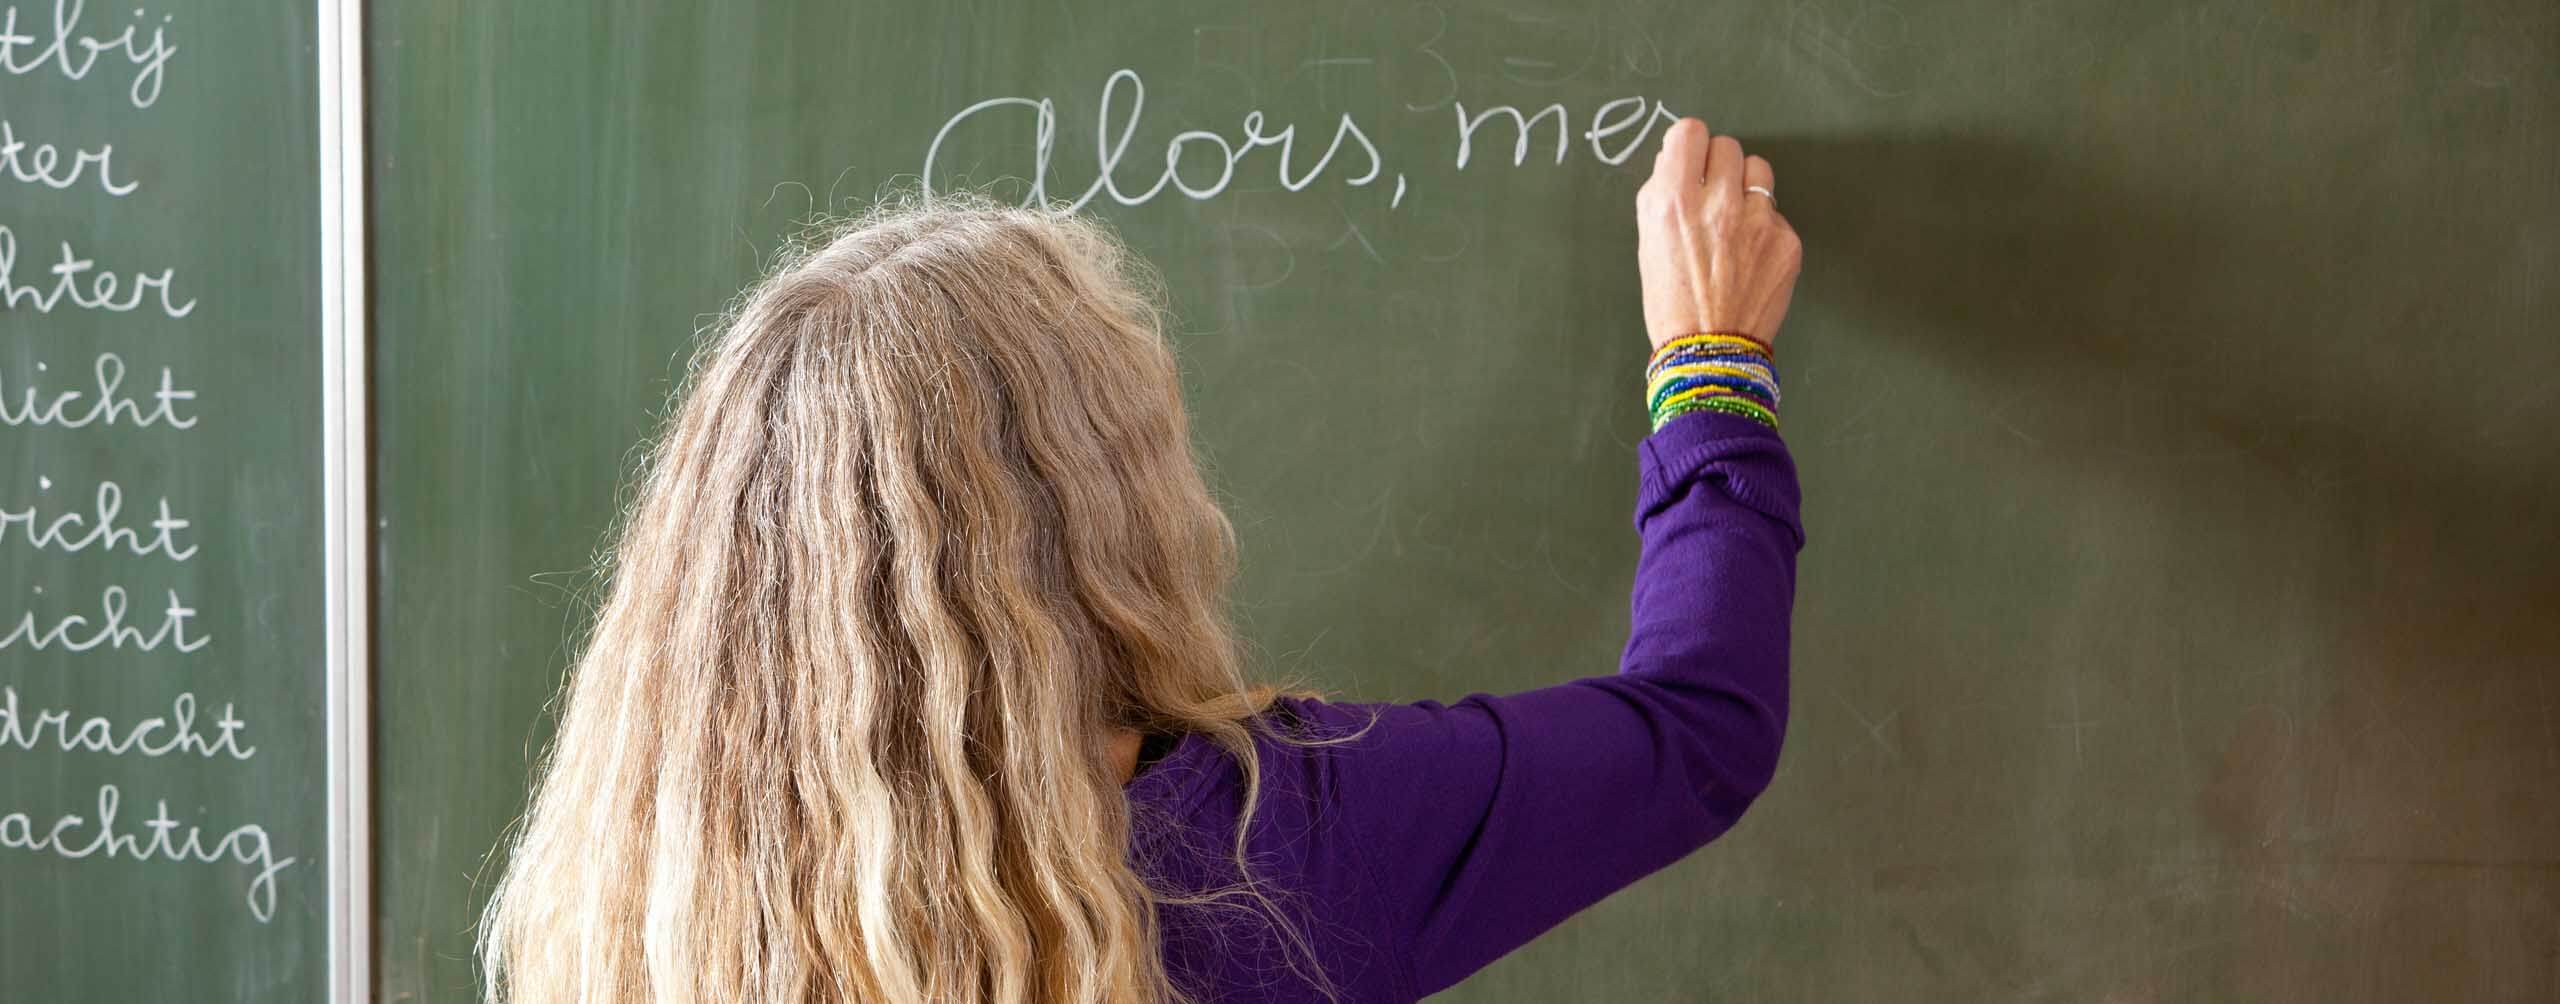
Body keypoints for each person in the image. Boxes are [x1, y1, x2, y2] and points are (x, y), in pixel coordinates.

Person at [478, 117, 1803, 1004]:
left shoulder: (638, 911)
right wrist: (1711, 368)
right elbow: (1699, 731)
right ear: (1110, 511)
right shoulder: (1259, 847)